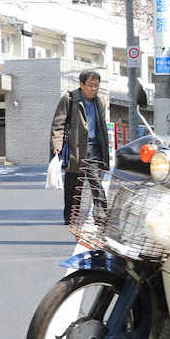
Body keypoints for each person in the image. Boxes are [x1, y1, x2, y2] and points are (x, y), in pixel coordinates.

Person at [50, 69, 110, 226]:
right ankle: (70, 216)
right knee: (73, 186)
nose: (94, 89)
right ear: (82, 84)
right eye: (90, 85)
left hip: (95, 148)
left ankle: (102, 216)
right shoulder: (69, 98)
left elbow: (102, 127)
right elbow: (58, 124)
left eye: (96, 85)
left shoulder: (100, 101)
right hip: (75, 148)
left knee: (96, 183)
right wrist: (57, 145)